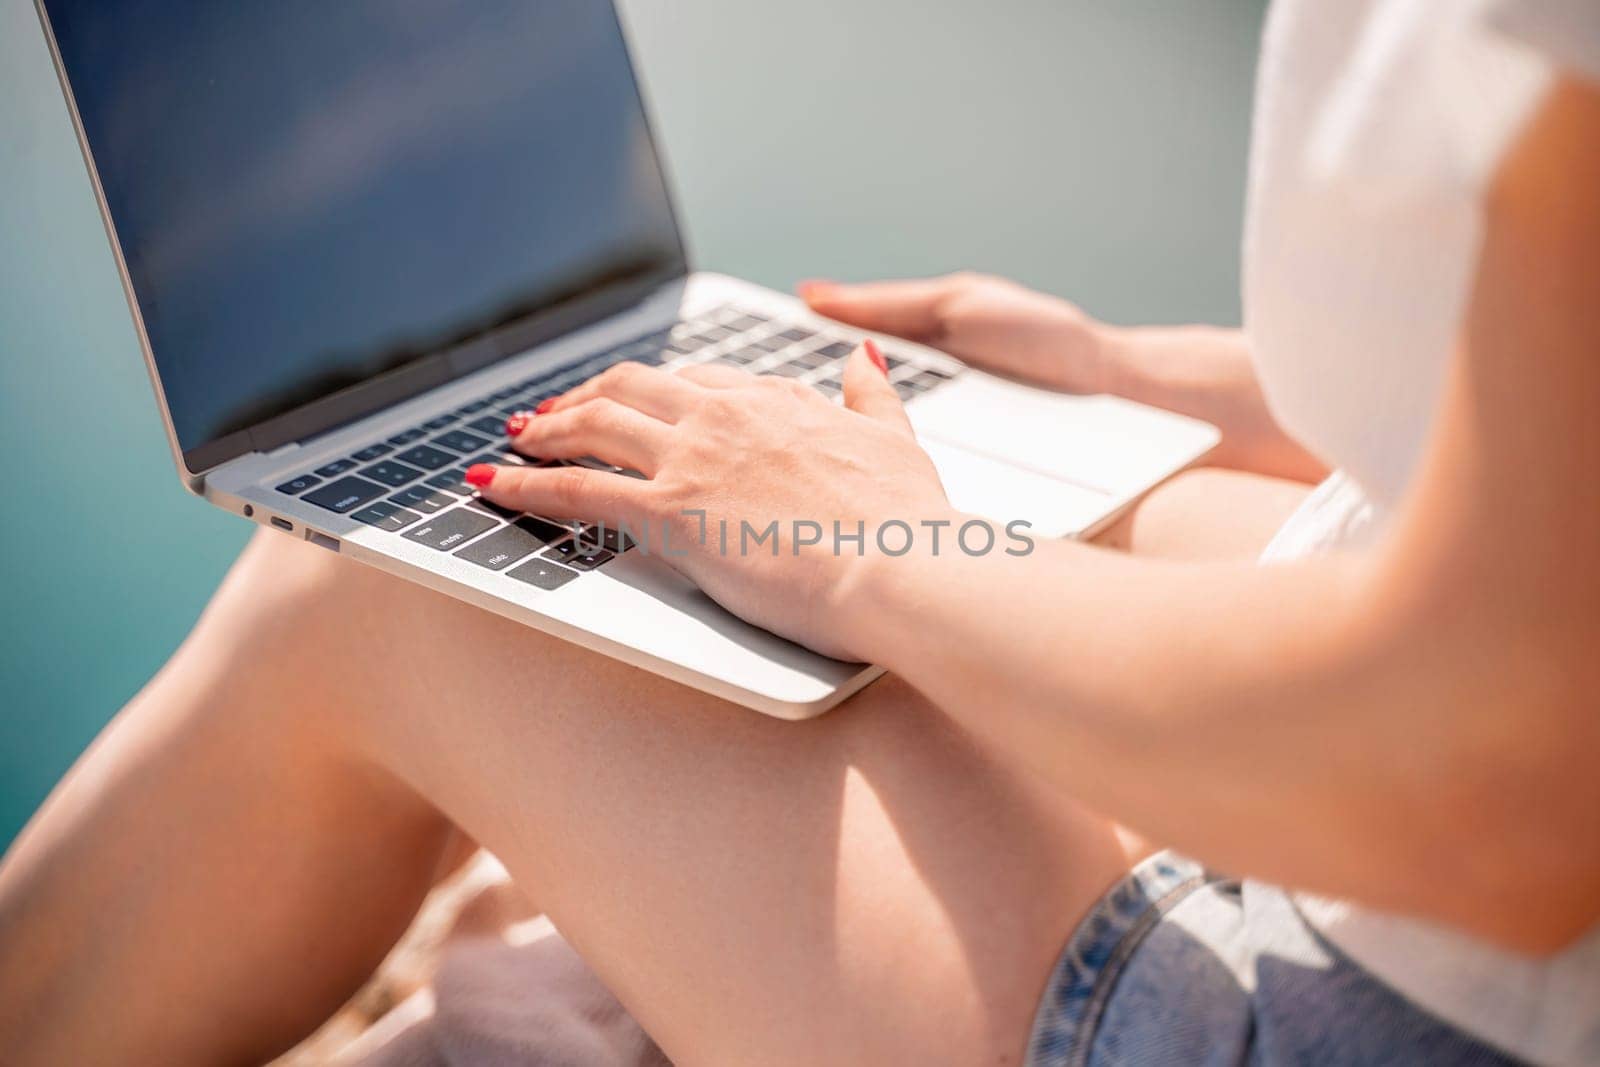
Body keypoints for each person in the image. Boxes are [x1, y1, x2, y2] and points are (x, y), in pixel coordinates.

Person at [2, 0, 1597, 1063]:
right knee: (1059, 492)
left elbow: (1491, 794)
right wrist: (1151, 380)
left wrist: (879, 553)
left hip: (1379, 1007)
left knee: (372, 587)